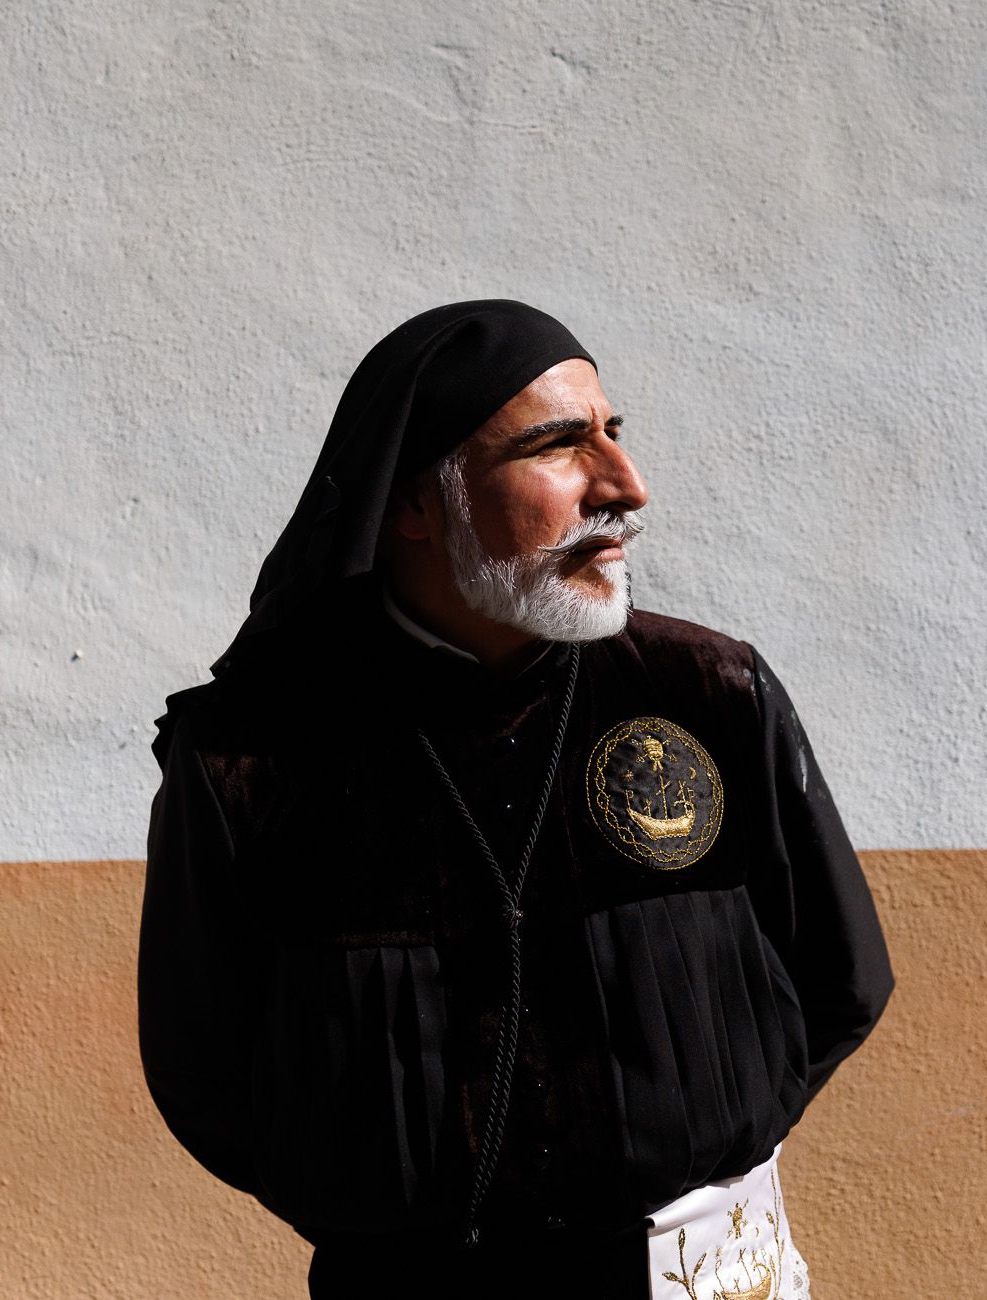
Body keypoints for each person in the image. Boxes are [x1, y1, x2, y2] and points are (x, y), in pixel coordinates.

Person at [139, 299, 893, 1299]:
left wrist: (698, 1144)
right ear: (414, 502)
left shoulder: (708, 694)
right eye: (560, 447)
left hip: (701, 1272)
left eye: (612, 435)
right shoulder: (250, 756)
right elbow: (207, 1064)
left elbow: (840, 977)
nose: (625, 487)